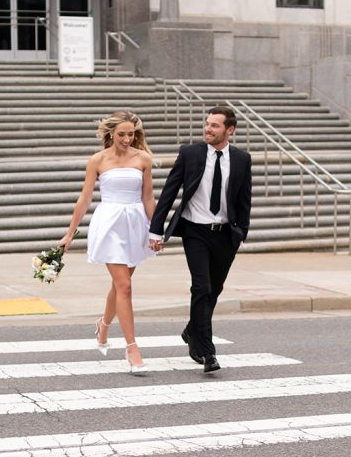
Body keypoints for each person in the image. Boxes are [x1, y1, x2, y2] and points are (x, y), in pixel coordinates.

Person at [149, 105, 252, 373]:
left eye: (215, 125)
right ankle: (207, 352)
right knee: (201, 288)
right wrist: (156, 229)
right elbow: (170, 191)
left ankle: (192, 329)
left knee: (214, 291)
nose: (208, 128)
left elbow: (244, 199)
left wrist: (242, 231)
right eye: (207, 123)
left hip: (226, 233)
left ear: (230, 130)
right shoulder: (190, 153)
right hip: (195, 231)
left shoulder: (242, 159)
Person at [58, 110, 155, 374]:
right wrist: (70, 233)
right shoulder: (97, 160)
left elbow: (148, 198)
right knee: (124, 285)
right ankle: (132, 348)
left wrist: (156, 231)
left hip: (135, 223)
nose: (126, 139)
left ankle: (103, 324)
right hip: (109, 223)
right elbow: (85, 198)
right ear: (111, 133)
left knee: (120, 285)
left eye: (131, 134)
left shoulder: (143, 158)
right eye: (121, 134)